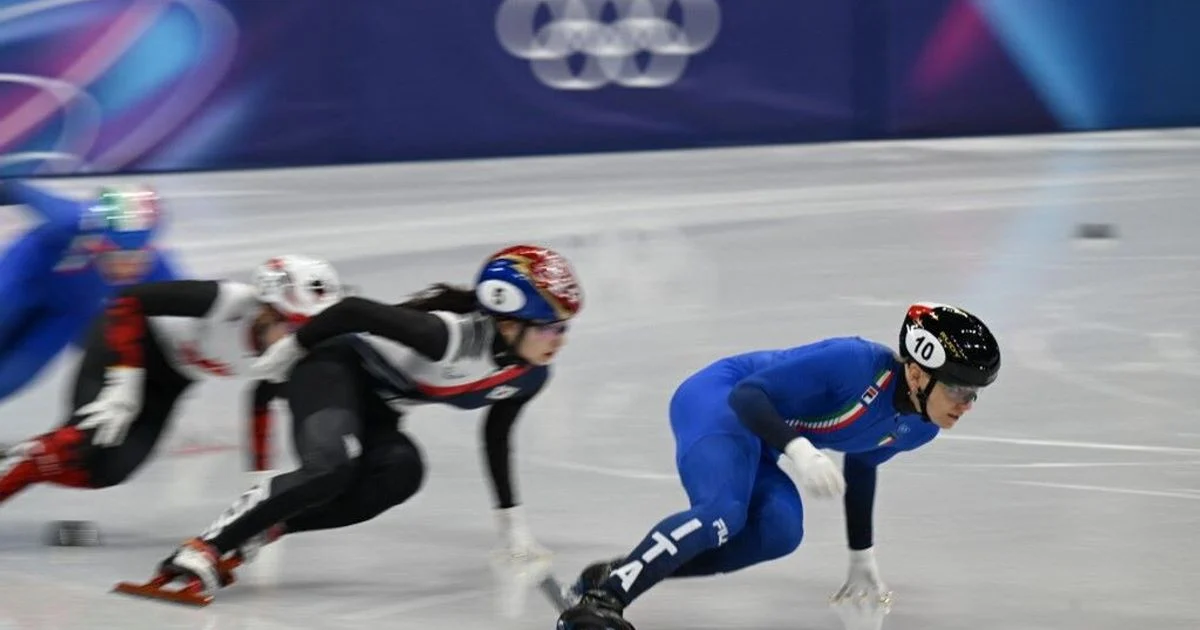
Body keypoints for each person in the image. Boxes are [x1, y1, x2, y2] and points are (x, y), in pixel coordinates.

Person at [118, 244, 583, 607]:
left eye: (563, 329)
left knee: (401, 472)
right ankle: (201, 549)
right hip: (327, 367)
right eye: (547, 328)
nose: (557, 341)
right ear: (506, 325)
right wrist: (292, 348)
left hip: (376, 405)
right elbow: (352, 310)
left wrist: (512, 525)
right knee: (331, 467)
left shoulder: (530, 374)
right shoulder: (446, 336)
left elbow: (497, 436)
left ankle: (265, 529)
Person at [556, 303, 1001, 630]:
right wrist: (799, 450)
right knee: (724, 513)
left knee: (779, 533)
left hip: (769, 433)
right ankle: (601, 600)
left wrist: (861, 556)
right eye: (960, 389)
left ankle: (621, 570)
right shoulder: (854, 362)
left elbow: (863, 465)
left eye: (974, 394)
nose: (967, 405)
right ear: (919, 374)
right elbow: (747, 396)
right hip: (721, 400)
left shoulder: (920, 427)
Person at [0, 255, 344, 510]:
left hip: (171, 380)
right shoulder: (226, 300)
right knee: (88, 435)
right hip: (125, 344)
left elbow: (261, 402)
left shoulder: (284, 355)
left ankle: (23, 461)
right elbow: (128, 301)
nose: (296, 340)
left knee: (107, 471)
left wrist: (259, 476)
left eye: (306, 330)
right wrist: (124, 380)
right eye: (292, 325)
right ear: (268, 308)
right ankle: (20, 470)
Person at [0, 180, 182, 403]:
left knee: (14, 375)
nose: (128, 267)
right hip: (24, 279)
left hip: (70, 311)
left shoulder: (157, 269)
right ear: (96, 242)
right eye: (117, 256)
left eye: (139, 256)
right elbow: (15, 189)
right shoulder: (70, 218)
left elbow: (187, 311)